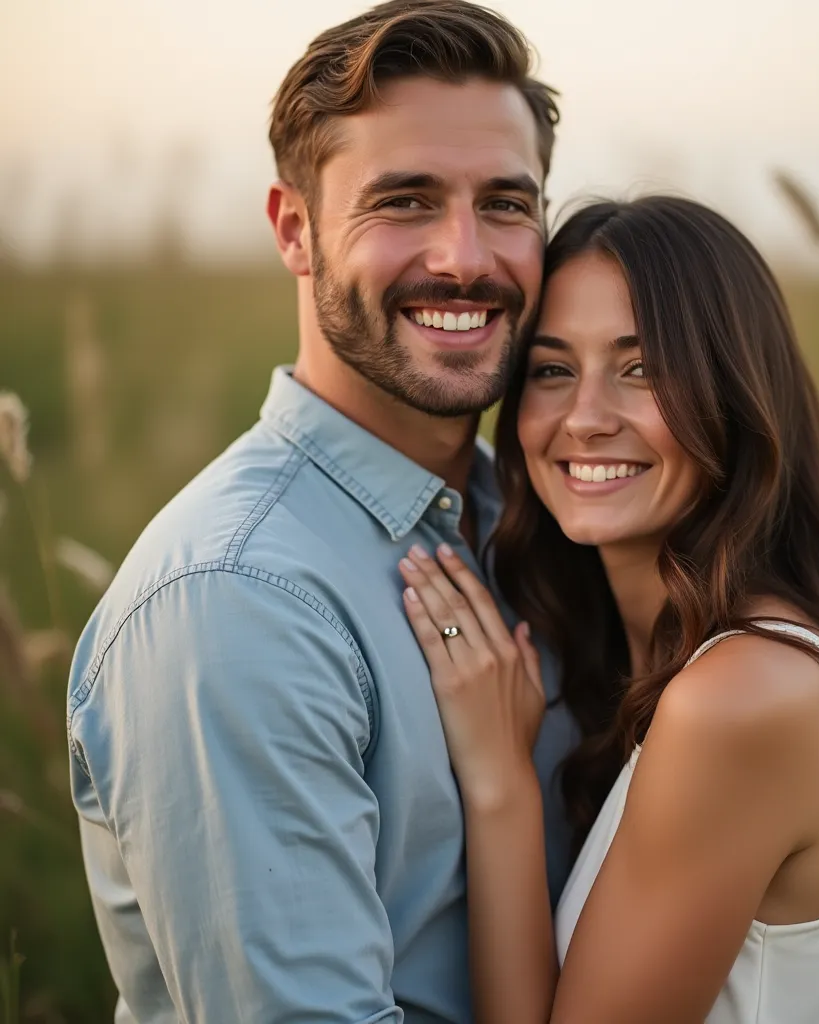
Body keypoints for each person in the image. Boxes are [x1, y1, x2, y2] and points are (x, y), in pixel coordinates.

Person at [66, 3, 576, 1021]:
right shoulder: (235, 604)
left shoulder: (535, 519)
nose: (465, 258)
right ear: (294, 230)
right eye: (407, 201)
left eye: (506, 204)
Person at [400, 195, 819, 1023]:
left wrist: (499, 786)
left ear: (732, 393)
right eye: (552, 370)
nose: (585, 419)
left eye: (643, 368)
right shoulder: (698, 665)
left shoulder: (741, 698)